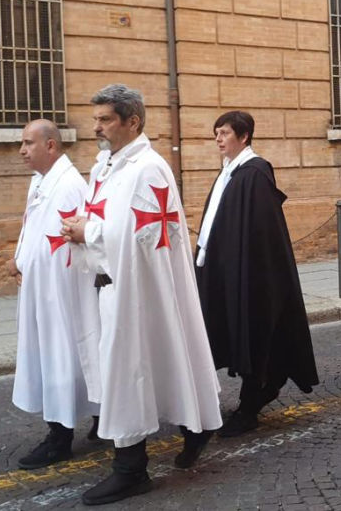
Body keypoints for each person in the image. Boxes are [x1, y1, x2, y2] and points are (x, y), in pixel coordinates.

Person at [61, 85, 222, 506]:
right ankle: (196, 425)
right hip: (116, 284)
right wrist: (85, 226)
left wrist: (85, 232)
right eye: (95, 118)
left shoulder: (146, 168)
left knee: (130, 371)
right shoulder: (109, 166)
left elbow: (140, 235)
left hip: (138, 289)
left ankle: (131, 470)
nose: (96, 126)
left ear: (132, 121)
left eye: (105, 119)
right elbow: (109, 218)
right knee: (156, 361)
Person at [194, 110, 318, 438]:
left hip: (252, 276)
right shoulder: (229, 173)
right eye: (216, 133)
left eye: (224, 133)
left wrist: (246, 273)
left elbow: (262, 235)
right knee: (223, 333)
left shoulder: (254, 173)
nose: (218, 139)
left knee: (256, 336)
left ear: (244, 136)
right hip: (223, 271)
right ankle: (251, 391)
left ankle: (250, 407)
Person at [8, 120, 99, 470]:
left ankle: (60, 437)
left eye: (29, 143)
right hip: (41, 289)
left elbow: (71, 242)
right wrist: (20, 260)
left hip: (61, 295)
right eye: (22, 142)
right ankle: (99, 419)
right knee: (59, 358)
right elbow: (34, 230)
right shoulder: (42, 182)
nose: (22, 150)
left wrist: (32, 269)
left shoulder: (69, 186)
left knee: (63, 358)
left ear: (51, 146)